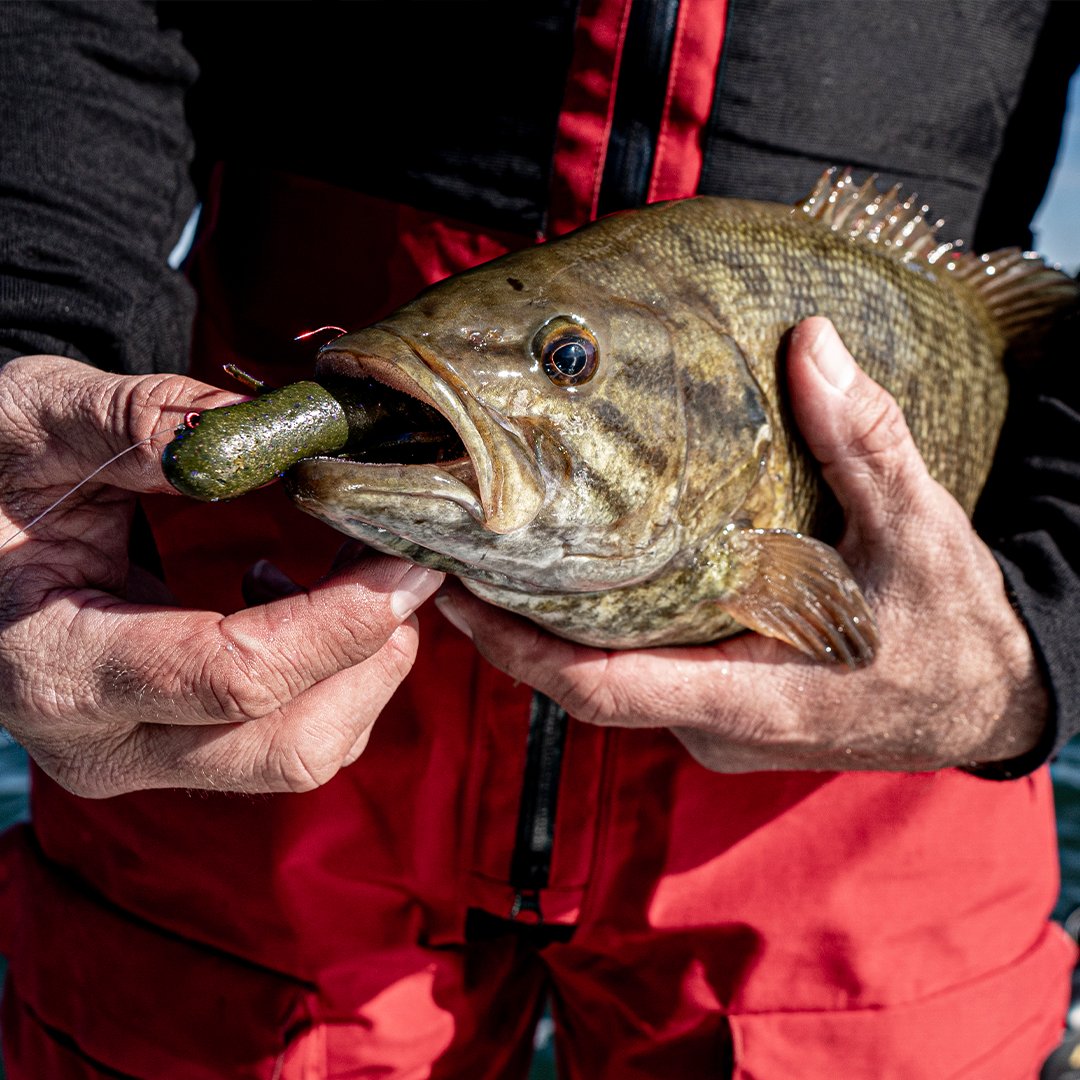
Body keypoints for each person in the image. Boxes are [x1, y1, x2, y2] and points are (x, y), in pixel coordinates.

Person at [0, 1, 1077, 1076]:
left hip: (858, 807)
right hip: (238, 697)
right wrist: (28, 343)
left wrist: (1044, 637)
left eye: (566, 363)